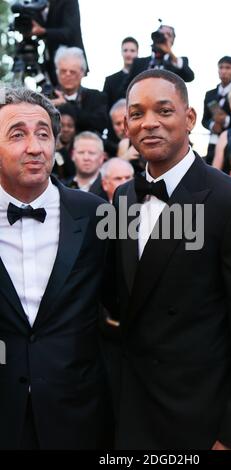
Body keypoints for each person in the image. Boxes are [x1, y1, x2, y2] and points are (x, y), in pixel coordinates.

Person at [107, 69, 231, 449]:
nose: (149, 123)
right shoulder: (122, 198)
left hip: (205, 422)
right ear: (125, 125)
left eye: (164, 111)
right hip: (136, 415)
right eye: (137, 113)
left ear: (189, 119)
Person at [0, 87, 113, 449]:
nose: (34, 147)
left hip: (79, 417)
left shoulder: (96, 214)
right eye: (17, 134)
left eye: (44, 134)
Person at [30, 0, 88, 86]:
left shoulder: (67, 2)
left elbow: (70, 33)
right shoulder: (35, 3)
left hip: (69, 58)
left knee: (69, 94)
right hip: (49, 62)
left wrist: (44, 31)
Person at [52, 47, 108, 135]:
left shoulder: (96, 97)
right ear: (57, 72)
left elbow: (100, 125)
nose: (68, 75)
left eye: (72, 72)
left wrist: (66, 105)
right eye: (63, 71)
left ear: (82, 73)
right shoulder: (47, 97)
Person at [125, 25, 194, 86]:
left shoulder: (178, 62)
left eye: (168, 35)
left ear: (172, 41)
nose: (164, 37)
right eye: (161, 34)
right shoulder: (138, 63)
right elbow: (126, 87)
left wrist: (170, 53)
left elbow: (189, 77)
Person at [202, 56, 231, 164]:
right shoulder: (210, 94)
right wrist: (212, 125)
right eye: (221, 67)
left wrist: (225, 120)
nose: (223, 71)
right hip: (213, 142)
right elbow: (204, 120)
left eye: (228, 68)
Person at [103, 37, 139, 112]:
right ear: (121, 52)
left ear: (137, 53)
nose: (128, 54)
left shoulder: (143, 78)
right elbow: (106, 108)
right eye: (125, 50)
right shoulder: (110, 81)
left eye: (132, 51)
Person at [66, 131, 106, 198]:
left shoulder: (110, 188)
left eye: (91, 153)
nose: (86, 158)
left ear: (101, 157)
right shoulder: (61, 187)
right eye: (81, 152)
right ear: (73, 155)